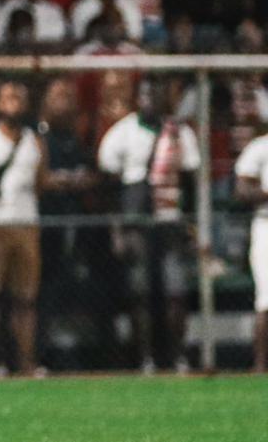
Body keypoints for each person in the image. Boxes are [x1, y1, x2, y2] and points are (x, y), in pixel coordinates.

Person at [97, 79, 201, 372]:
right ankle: (145, 357)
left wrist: (191, 225)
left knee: (174, 290)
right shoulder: (122, 133)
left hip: (169, 217)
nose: (149, 100)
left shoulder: (179, 133)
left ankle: (178, 355)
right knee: (139, 290)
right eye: (143, 93)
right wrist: (117, 229)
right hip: (136, 221)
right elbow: (109, 183)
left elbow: (192, 179)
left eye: (155, 93)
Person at [0, 78, 46, 376]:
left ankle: (26, 361)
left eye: (19, 96)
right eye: (8, 96)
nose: (14, 101)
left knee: (25, 298)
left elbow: (41, 181)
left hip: (26, 223)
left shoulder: (34, 140)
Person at [233, 124, 268, 372]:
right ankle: (261, 366)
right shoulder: (260, 147)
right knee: (266, 299)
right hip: (266, 224)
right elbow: (242, 190)